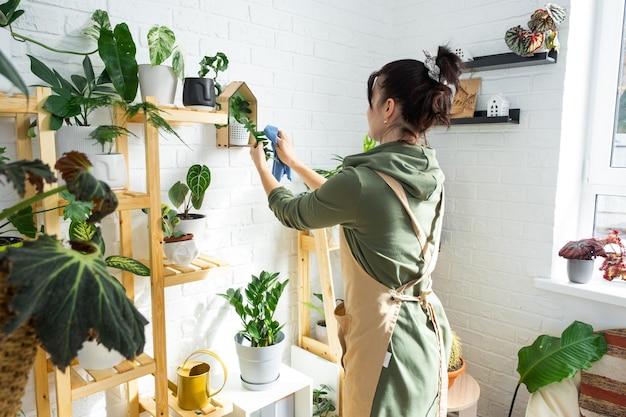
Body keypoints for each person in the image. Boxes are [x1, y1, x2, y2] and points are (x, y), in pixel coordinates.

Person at [250, 46, 463, 417]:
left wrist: (260, 166)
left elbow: (292, 212)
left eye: (372, 101)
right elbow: (351, 202)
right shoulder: (432, 175)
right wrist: (296, 164)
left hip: (386, 346)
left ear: (388, 108)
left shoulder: (362, 183)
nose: (367, 111)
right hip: (426, 336)